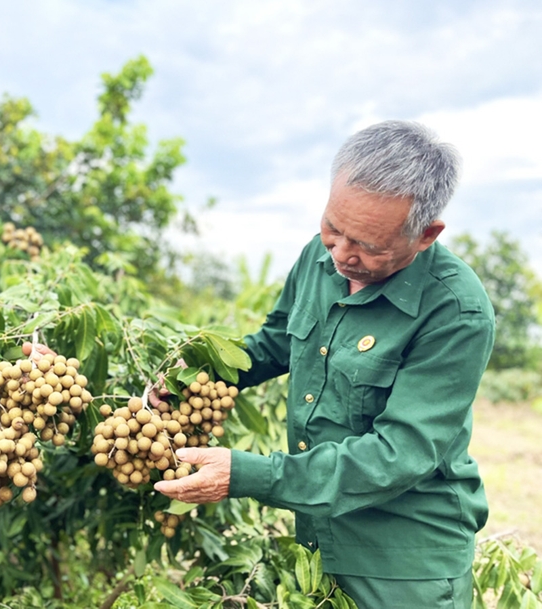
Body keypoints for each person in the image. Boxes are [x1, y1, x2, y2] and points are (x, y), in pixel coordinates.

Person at [155, 120, 495, 609]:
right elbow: (274, 344)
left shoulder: (455, 310)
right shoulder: (319, 257)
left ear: (426, 235)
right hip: (317, 537)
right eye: (333, 228)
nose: (341, 254)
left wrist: (248, 474)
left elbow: (401, 452)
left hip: (403, 560)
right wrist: (190, 377)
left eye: (368, 246)